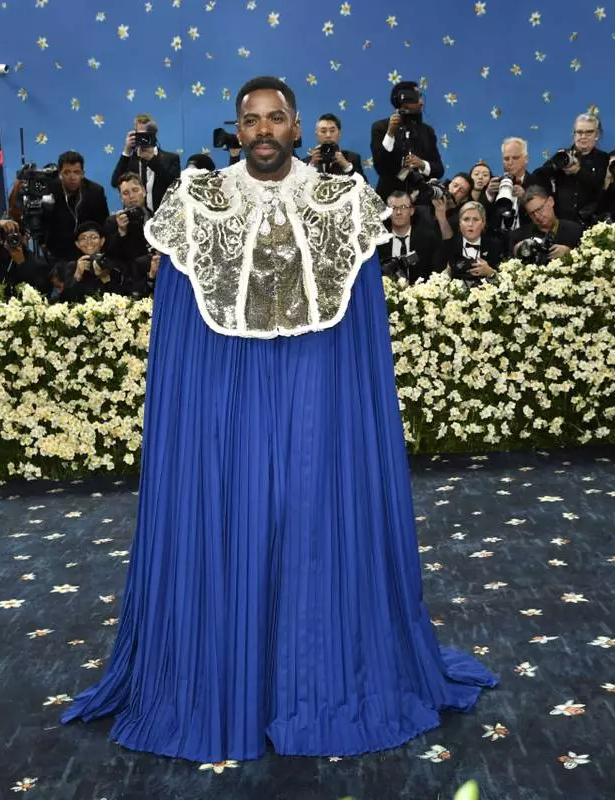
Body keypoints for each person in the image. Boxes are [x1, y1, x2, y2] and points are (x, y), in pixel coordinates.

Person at [61, 75, 497, 763]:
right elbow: (177, 332)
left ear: (296, 127)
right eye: (251, 119)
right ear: (237, 130)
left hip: (316, 393)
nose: (263, 130)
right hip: (228, 396)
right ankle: (231, 684)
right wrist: (193, 429)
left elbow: (362, 332)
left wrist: (349, 425)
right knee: (236, 519)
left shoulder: (343, 202)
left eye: (275, 118)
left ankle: (319, 680)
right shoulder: (198, 203)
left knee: (314, 522)